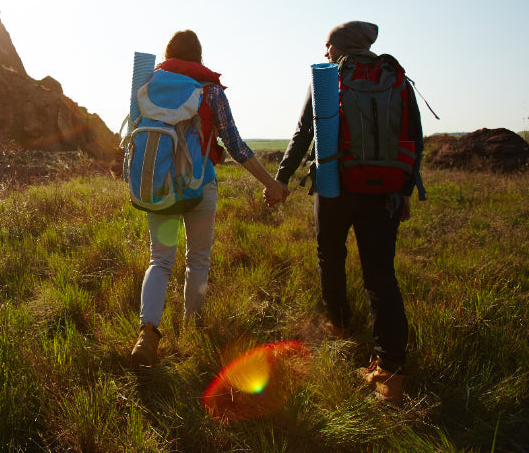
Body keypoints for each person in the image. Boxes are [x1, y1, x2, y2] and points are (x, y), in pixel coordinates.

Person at [270, 21, 423, 405]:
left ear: (340, 47)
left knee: (330, 256)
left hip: (336, 187)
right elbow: (414, 139)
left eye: (328, 45)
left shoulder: (327, 79)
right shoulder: (397, 81)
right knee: (380, 274)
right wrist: (404, 190)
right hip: (384, 192)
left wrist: (281, 178)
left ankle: (337, 325)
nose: (324, 53)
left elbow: (304, 131)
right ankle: (390, 371)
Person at [130, 30, 289, 368]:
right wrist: (272, 184)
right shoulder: (211, 92)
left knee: (160, 260)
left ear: (168, 54)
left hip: (158, 188)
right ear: (199, 56)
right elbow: (236, 145)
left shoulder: (148, 86)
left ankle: (147, 333)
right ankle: (193, 330)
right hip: (200, 189)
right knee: (197, 261)